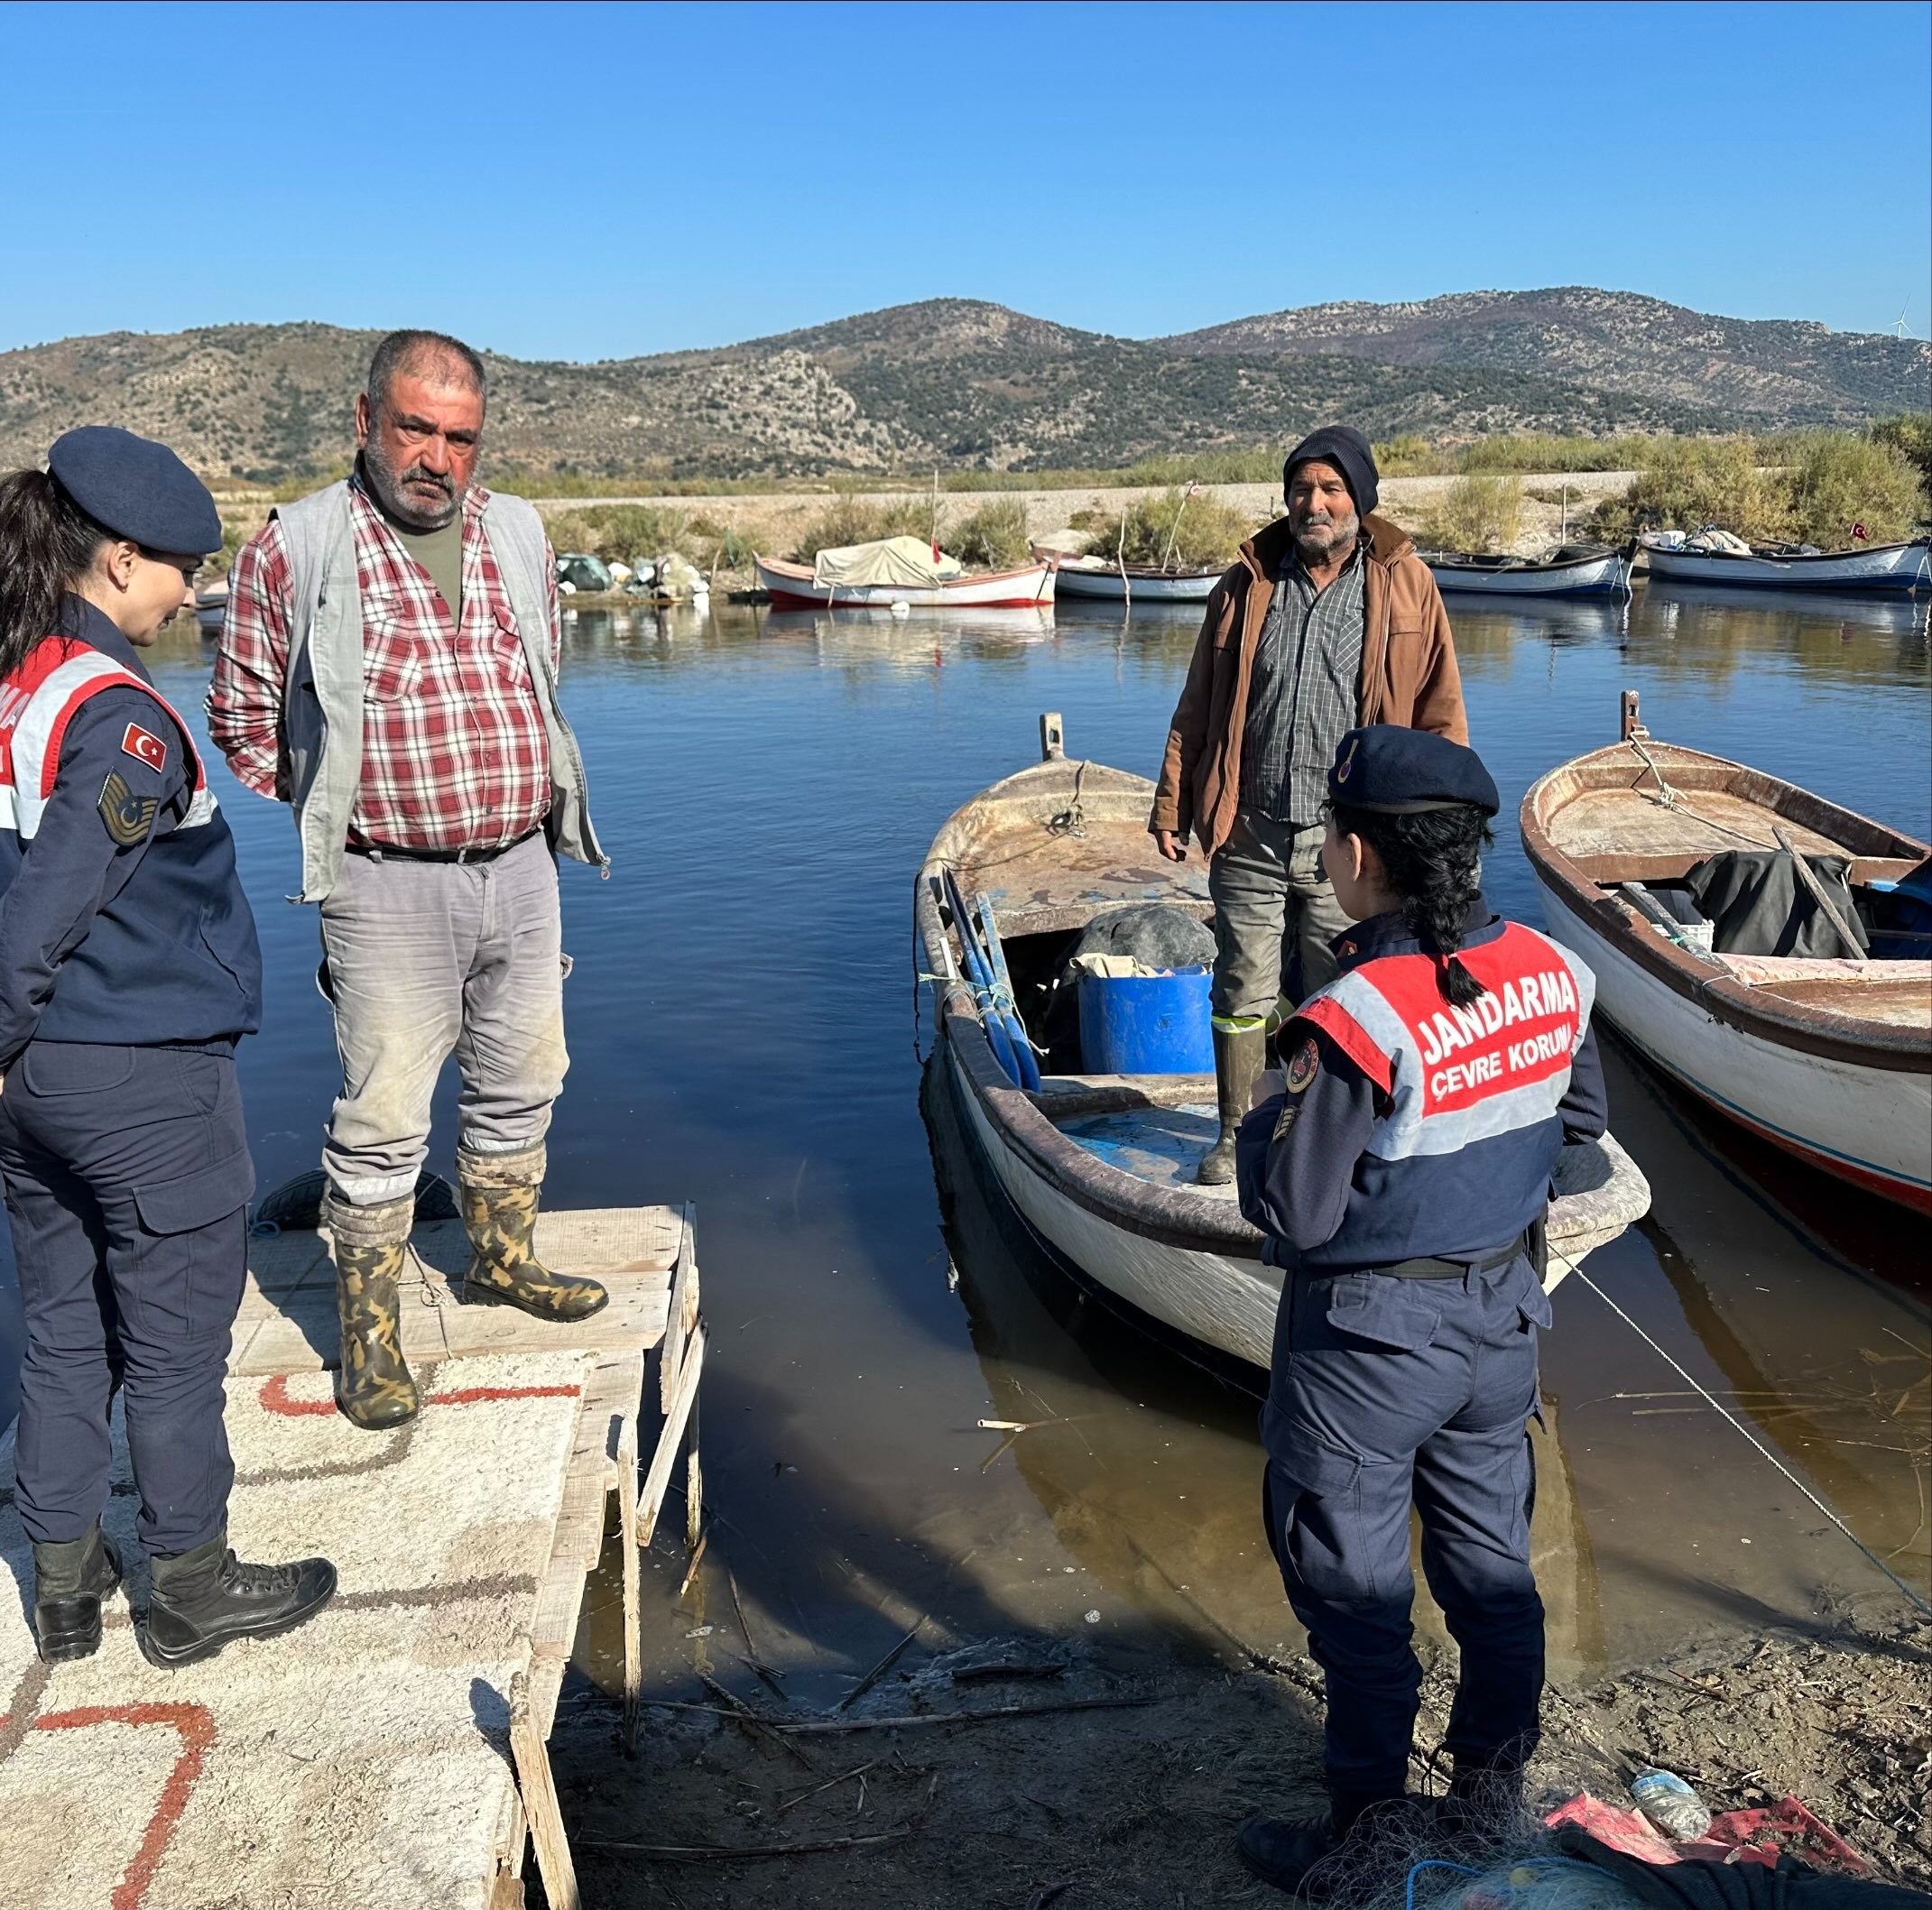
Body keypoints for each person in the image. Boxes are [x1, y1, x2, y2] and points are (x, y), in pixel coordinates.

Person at [208, 330, 607, 1432]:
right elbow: (241, 718)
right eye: (415, 428)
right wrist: (349, 805)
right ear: (365, 422)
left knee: (525, 1075)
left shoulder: (519, 530)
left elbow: (540, 671)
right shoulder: (295, 545)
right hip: (383, 882)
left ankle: (499, 1259)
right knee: (383, 1112)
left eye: (460, 437)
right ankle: (370, 1334)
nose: (437, 456)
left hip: (522, 866)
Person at [1232, 724, 1607, 1896]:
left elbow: (1292, 1211)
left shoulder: (1360, 1011)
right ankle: (1493, 1800)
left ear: (1352, 850)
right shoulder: (1553, 970)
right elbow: (1581, 1141)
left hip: (1366, 1356)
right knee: (1494, 1575)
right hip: (1503, 1325)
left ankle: (1364, 1842)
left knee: (1357, 1601)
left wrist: (1257, 1124)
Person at [0, 428, 337, 1667]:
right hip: (138, 1073)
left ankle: (65, 1575)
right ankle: (189, 1581)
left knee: (60, 1324)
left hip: (36, 1083)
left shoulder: (20, 682)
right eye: (179, 569)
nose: (190, 592)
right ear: (118, 555)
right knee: (177, 1336)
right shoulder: (121, 721)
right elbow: (45, 913)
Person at [1149, 427, 1467, 1185]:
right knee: (1240, 989)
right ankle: (1236, 1132)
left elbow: (1440, 714)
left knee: (1348, 992)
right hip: (1249, 826)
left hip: (1352, 842)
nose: (1312, 503)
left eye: (1329, 489)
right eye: (1300, 489)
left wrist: (1441, 832)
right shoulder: (1246, 583)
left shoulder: (1406, 584)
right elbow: (1198, 703)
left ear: (1359, 500)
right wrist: (1172, 803)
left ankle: (1326, 1139)